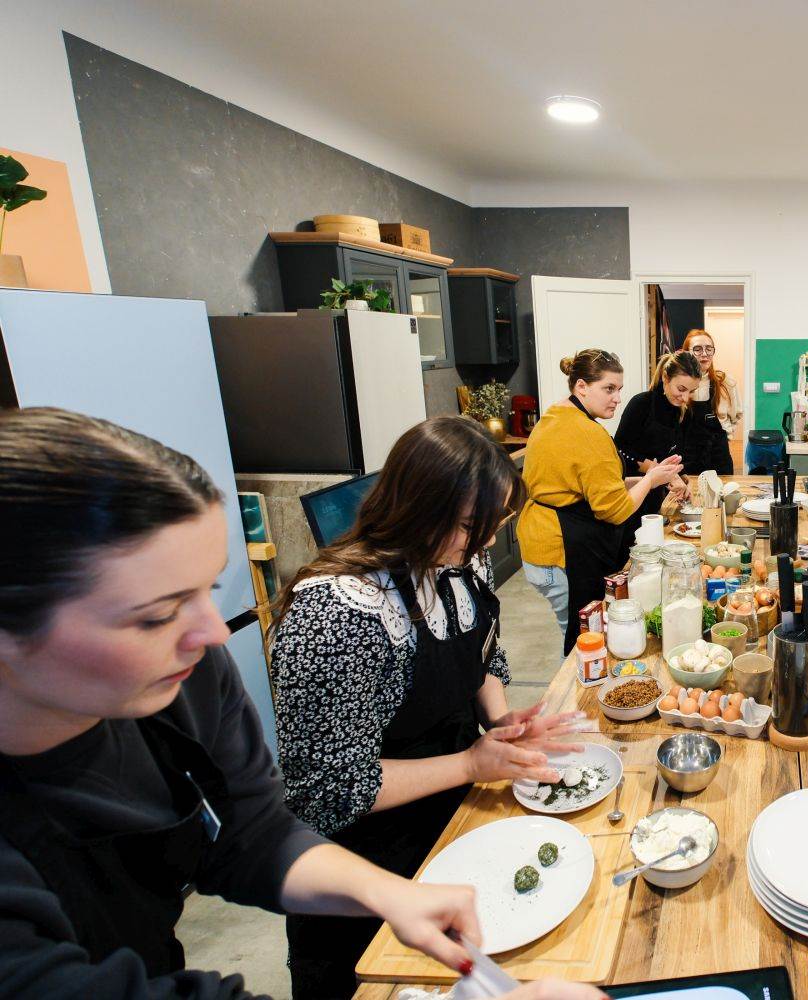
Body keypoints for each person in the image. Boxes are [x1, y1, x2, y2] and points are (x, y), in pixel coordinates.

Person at [0, 407, 600, 999]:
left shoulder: (189, 681)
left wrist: (389, 894)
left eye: (208, 590)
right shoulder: (336, 614)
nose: (213, 632)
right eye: (158, 614)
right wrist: (467, 767)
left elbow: (253, 831)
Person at [272, 415, 589, 999]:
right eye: (472, 526)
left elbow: (482, 656)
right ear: (418, 508)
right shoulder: (337, 614)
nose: (486, 542)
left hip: (454, 823)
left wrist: (502, 722)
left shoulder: (457, 560)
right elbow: (332, 789)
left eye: (493, 525)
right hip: (368, 869)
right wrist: (469, 764)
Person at [519, 350, 683, 650]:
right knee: (583, 644)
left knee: (578, 636)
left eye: (619, 389)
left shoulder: (554, 417)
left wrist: (653, 476)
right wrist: (649, 481)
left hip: (538, 542)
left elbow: (593, 487)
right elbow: (615, 511)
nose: (617, 398)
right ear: (581, 386)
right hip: (561, 550)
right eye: (609, 389)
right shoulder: (588, 433)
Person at [614, 350, 700, 512]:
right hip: (632, 492)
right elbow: (620, 450)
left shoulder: (683, 412)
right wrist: (666, 473)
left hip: (657, 493)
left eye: (691, 391)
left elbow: (674, 454)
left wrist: (682, 479)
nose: (685, 398)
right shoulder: (641, 404)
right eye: (681, 389)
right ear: (665, 378)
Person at [683, 329, 741, 475]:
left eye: (709, 349)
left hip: (719, 459)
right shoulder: (680, 385)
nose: (704, 354)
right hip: (687, 460)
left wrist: (725, 436)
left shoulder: (725, 383)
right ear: (687, 352)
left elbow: (736, 416)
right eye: (697, 349)